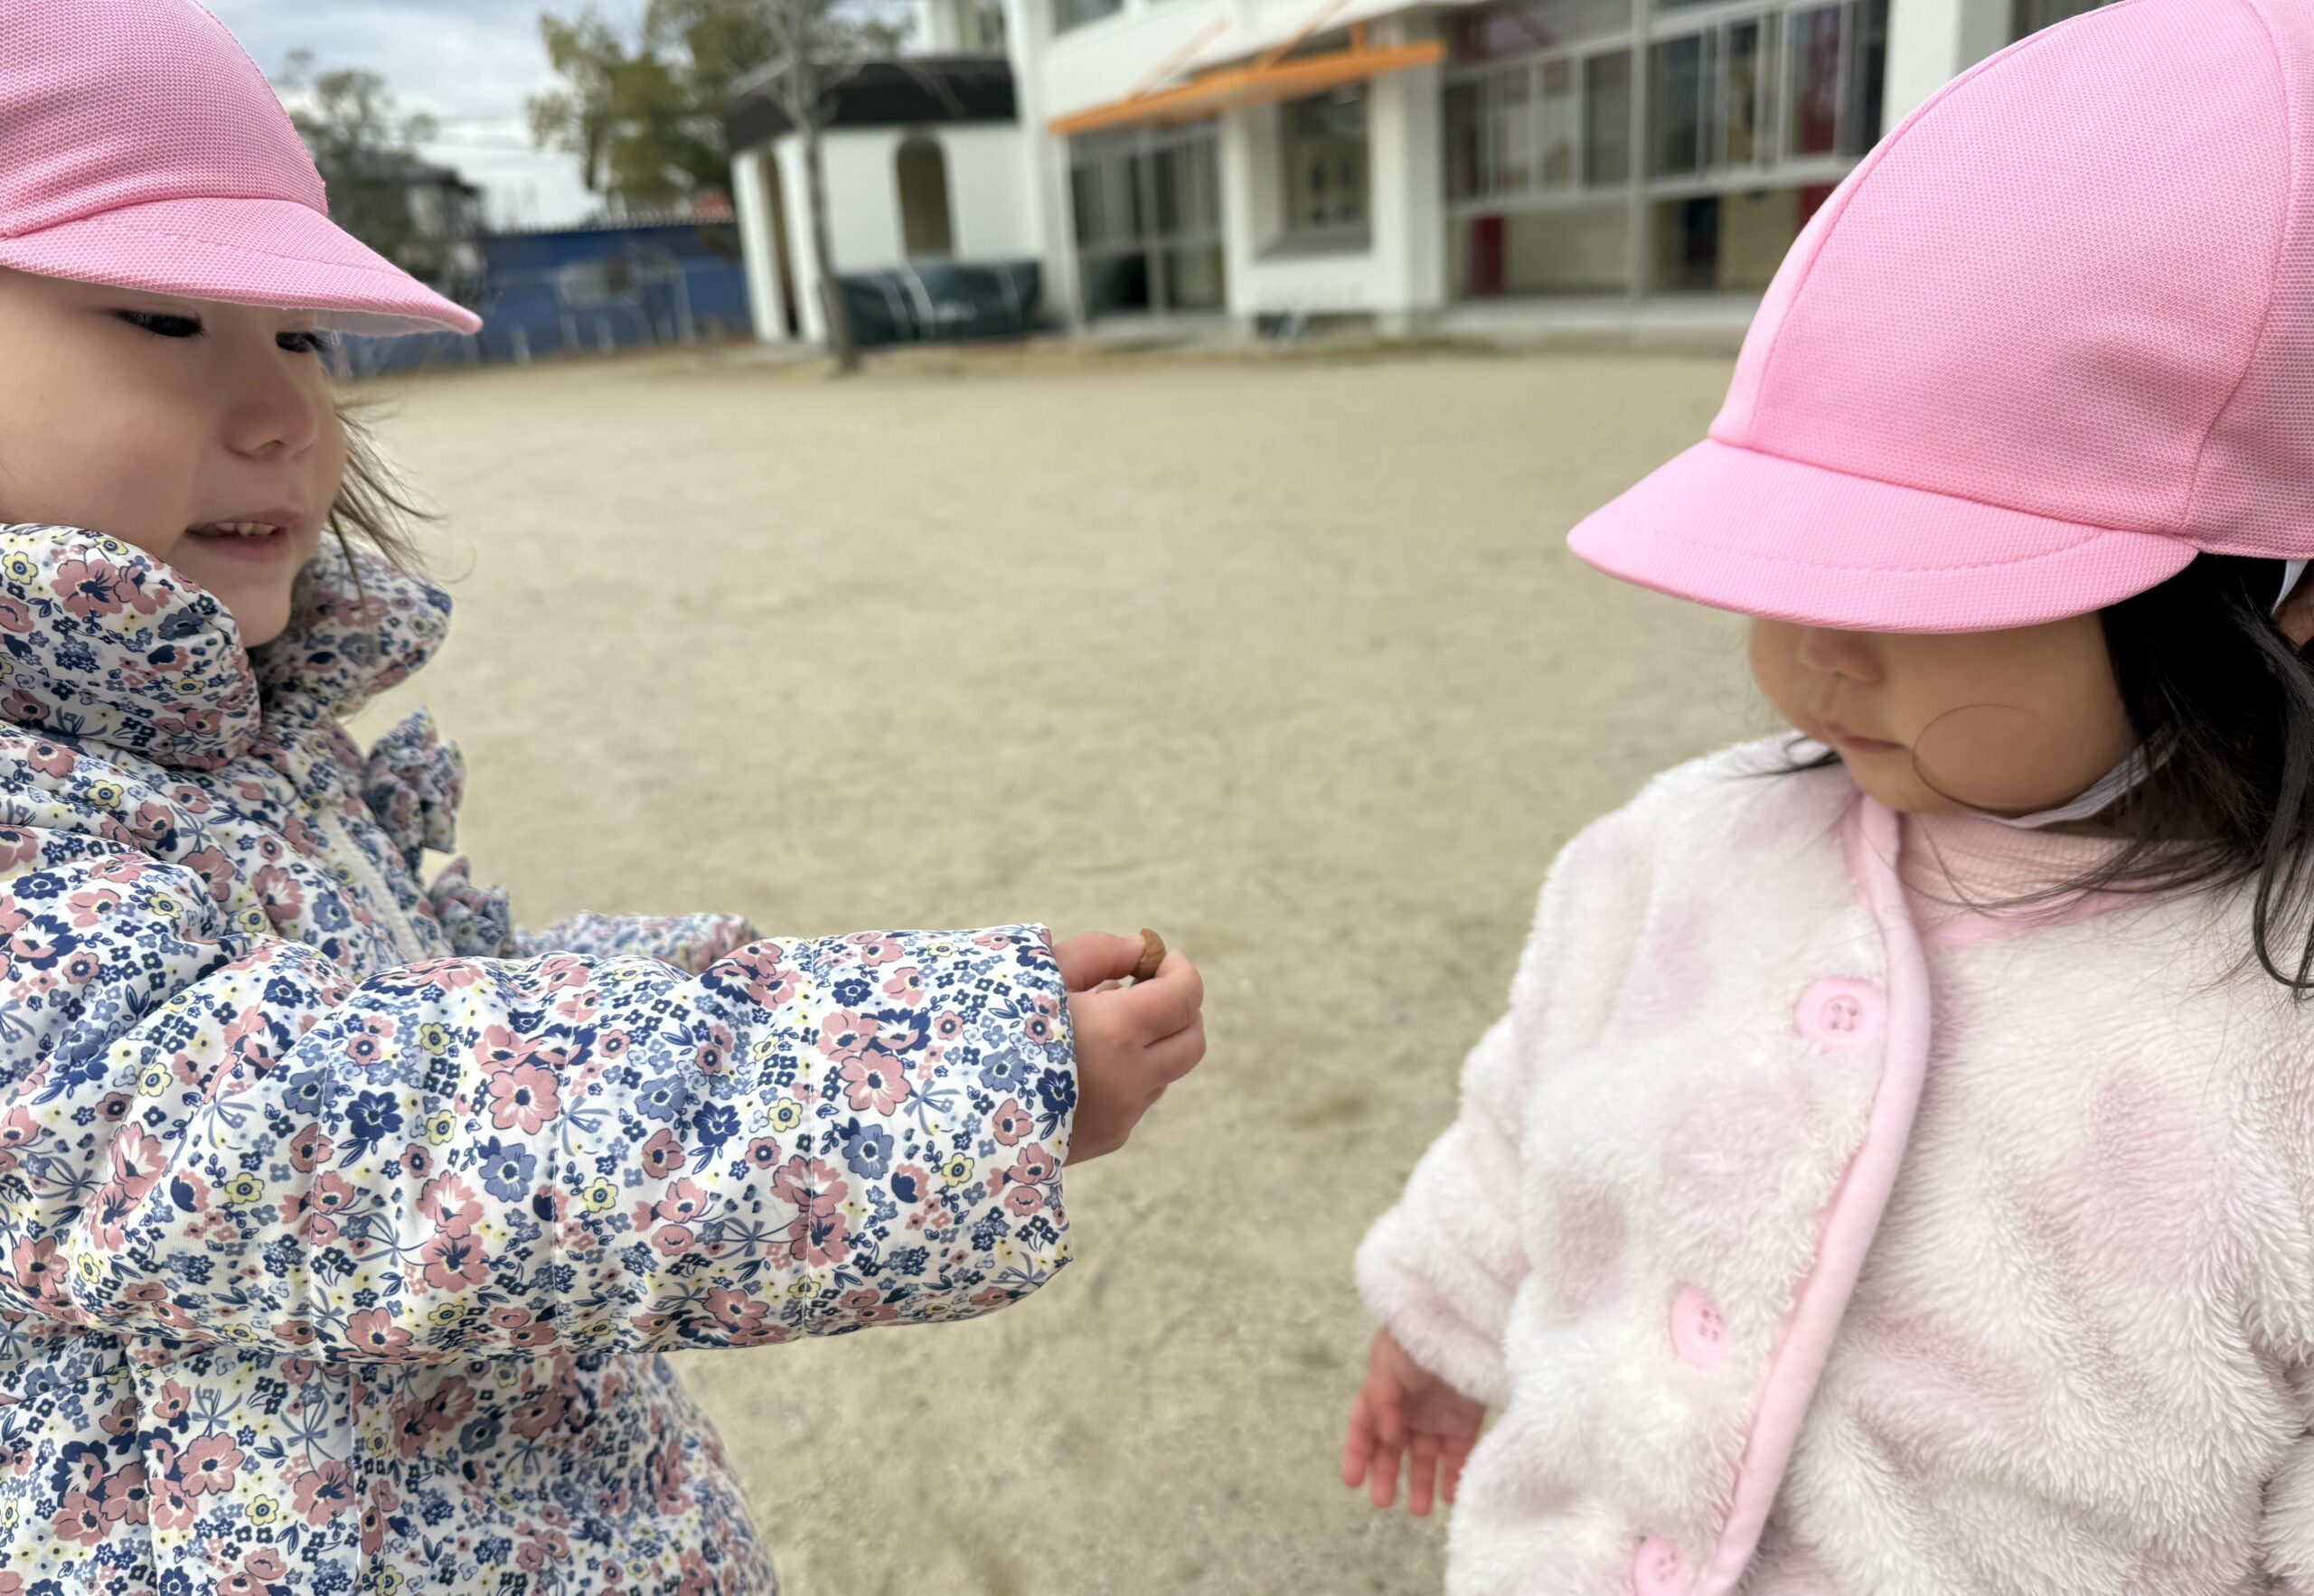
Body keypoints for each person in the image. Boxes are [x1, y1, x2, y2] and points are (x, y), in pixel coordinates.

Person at [0, 3, 1207, 1592]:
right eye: (164, 318)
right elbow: (341, 1132)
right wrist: (941, 1081)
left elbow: (459, 1001)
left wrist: (897, 1004)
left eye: (297, 334)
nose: (285, 411)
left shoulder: (235, 735)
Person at [1340, 1, 2314, 1591]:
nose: (1807, 652)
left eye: (1917, 583)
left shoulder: (2272, 1043)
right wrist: (1443, 1315)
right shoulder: (1682, 851)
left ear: (2280, 599)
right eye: (1789, 556)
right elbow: (1531, 1111)